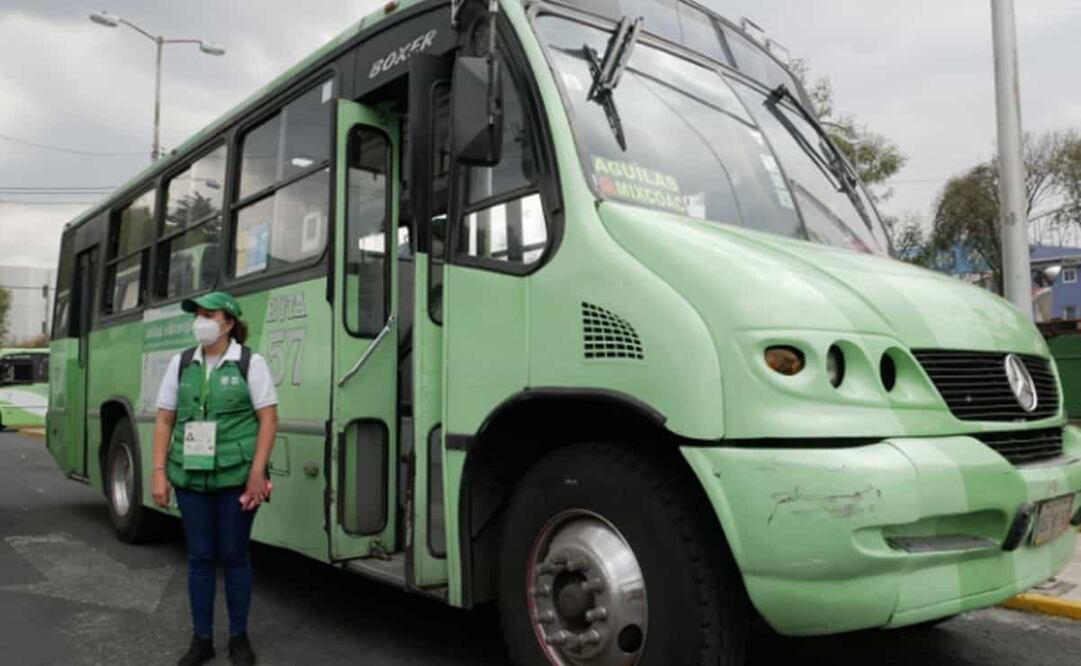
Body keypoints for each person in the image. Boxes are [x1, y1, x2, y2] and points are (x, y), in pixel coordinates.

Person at [150, 291, 279, 666]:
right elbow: (164, 419)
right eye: (198, 315)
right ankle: (201, 640)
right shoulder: (181, 363)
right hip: (190, 477)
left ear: (228, 322)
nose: (201, 321)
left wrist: (257, 472)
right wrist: (160, 473)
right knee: (200, 556)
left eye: (209, 314)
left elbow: (268, 419)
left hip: (237, 477)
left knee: (235, 555)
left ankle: (239, 637)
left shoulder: (249, 363)